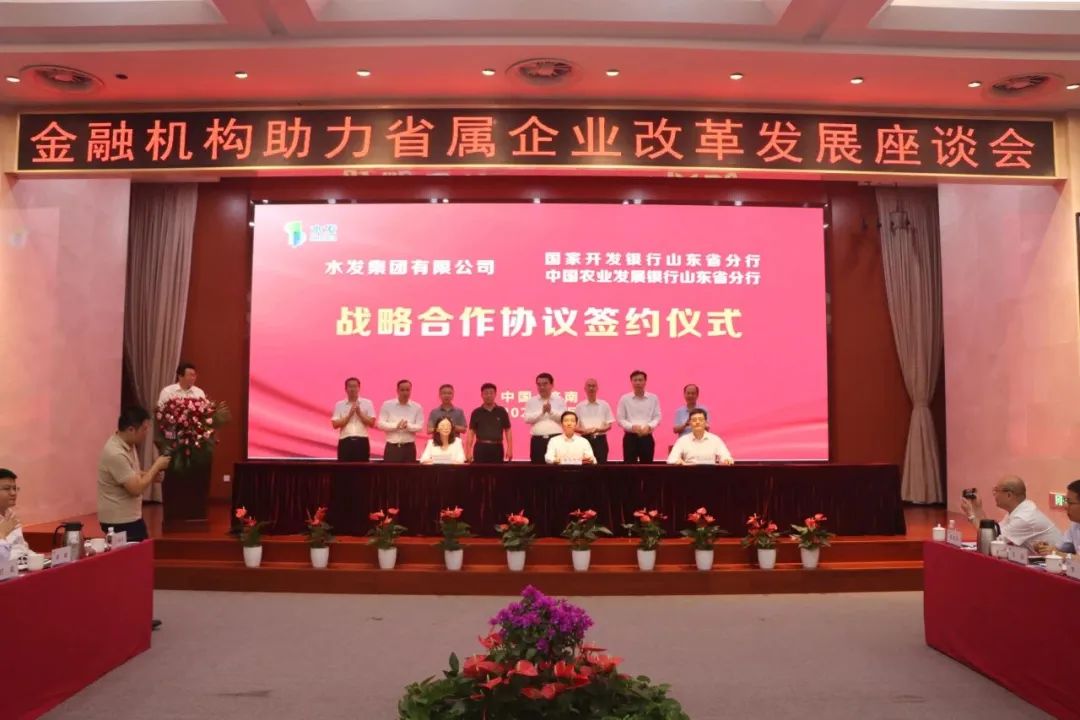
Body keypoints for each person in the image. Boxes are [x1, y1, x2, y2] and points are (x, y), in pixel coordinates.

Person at [99, 407, 172, 631]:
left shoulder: (127, 445)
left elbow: (132, 476)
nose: (146, 433)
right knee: (129, 571)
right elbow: (135, 488)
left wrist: (151, 474)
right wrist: (156, 467)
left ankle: (135, 615)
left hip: (130, 517)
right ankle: (127, 618)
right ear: (131, 429)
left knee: (136, 568)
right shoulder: (115, 452)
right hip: (119, 521)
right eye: (144, 429)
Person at [960, 475, 1063, 551]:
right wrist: (977, 508)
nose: (994, 494)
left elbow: (990, 542)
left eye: (996, 490)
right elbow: (993, 531)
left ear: (1009, 495)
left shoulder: (1024, 518)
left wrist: (971, 515)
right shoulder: (1020, 509)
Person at [617, 370, 661, 463]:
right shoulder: (625, 398)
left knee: (647, 466)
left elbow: (657, 417)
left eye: (640, 380)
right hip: (630, 437)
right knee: (629, 466)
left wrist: (649, 426)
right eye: (635, 380)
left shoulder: (653, 398)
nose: (638, 382)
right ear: (631, 382)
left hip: (647, 436)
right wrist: (632, 427)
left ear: (645, 381)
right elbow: (620, 419)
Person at [377, 379, 424, 462]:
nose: (405, 393)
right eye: (402, 390)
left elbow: (420, 427)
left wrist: (408, 426)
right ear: (397, 391)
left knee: (409, 470)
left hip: (409, 447)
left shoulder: (417, 407)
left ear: (410, 390)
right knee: (390, 470)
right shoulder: (387, 405)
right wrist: (396, 425)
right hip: (392, 446)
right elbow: (380, 424)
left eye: (407, 390)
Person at [524, 372, 566, 464]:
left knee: (556, 468)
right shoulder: (532, 401)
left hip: (556, 438)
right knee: (538, 468)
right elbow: (527, 419)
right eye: (539, 385)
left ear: (552, 385)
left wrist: (551, 411)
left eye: (545, 384)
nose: (542, 387)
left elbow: (564, 419)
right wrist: (542, 412)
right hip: (538, 441)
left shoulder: (560, 400)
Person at [331, 377, 376, 461]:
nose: (352, 389)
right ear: (345, 389)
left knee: (362, 467)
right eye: (350, 386)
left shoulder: (367, 403)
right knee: (344, 467)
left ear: (359, 388)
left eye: (355, 386)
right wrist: (349, 415)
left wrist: (360, 413)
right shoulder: (339, 404)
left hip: (362, 441)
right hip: (345, 440)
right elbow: (335, 424)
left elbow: (372, 423)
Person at [466, 382, 513, 463]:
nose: (488, 395)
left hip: (497, 447)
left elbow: (508, 430)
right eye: (486, 393)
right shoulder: (476, 412)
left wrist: (510, 448)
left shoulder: (502, 411)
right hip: (480, 447)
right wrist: (468, 450)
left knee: (497, 470)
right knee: (479, 470)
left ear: (495, 394)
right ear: (481, 395)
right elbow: (471, 432)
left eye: (491, 393)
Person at [666, 409, 734, 465]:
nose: (697, 422)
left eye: (700, 419)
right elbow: (671, 459)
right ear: (689, 423)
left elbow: (726, 457)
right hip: (689, 474)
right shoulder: (682, 440)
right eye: (694, 420)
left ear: (706, 422)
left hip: (711, 474)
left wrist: (726, 460)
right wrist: (680, 462)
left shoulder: (715, 439)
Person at [1034, 478, 1080, 555]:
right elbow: (1062, 548)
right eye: (1065, 501)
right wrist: (1045, 548)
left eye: (1070, 502)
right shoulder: (1075, 524)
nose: (1065, 506)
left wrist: (1061, 554)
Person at [574, 378, 614, 463]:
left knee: (601, 465)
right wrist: (585, 431)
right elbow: (575, 427)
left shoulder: (604, 404)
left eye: (593, 386)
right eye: (589, 386)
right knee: (586, 466)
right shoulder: (579, 406)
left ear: (597, 388)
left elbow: (609, 425)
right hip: (585, 439)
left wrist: (598, 430)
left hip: (600, 440)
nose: (591, 388)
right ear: (585, 388)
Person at [0, 469, 27, 563]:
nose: (13, 493)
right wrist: (2, 533)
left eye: (15, 488)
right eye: (7, 489)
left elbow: (21, 547)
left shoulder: (10, 515)